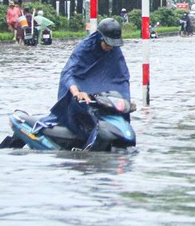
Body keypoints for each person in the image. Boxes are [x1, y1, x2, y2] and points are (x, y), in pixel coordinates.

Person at [39, 17, 129, 149]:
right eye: (108, 44)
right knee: (80, 112)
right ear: (100, 38)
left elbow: (122, 78)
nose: (110, 48)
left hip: (101, 94)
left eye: (113, 45)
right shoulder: (84, 48)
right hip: (78, 91)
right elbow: (68, 72)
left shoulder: (114, 51)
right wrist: (76, 92)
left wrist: (126, 101)